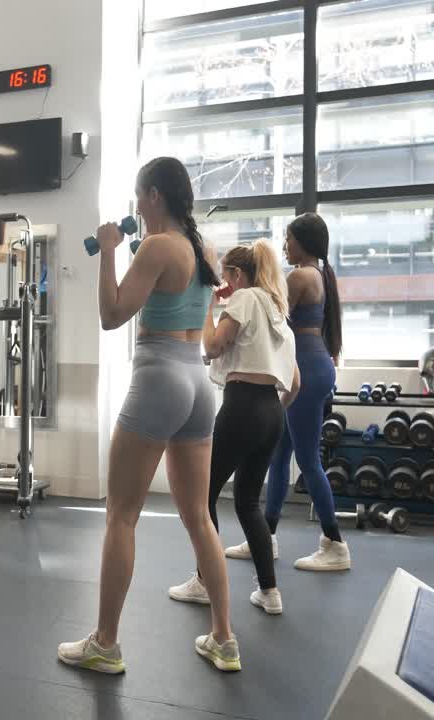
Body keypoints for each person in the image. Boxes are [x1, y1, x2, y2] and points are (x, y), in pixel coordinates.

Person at [57, 157, 239, 674]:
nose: (136, 206)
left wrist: (109, 254)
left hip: (159, 378)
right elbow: (199, 328)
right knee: (199, 516)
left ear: (154, 195)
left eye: (139, 196)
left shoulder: (160, 246)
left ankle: (105, 644)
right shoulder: (203, 249)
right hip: (197, 385)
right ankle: (224, 638)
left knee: (121, 514)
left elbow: (112, 315)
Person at [167, 242, 299, 616]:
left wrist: (207, 306)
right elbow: (296, 381)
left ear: (237, 275)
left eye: (225, 276)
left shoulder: (245, 299)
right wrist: (268, 412)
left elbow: (211, 347)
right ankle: (269, 592)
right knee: (247, 504)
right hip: (272, 411)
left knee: (202, 495)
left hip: (242, 406)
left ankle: (205, 583)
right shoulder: (277, 310)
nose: (224, 283)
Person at [264, 213, 352, 571]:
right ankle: (265, 536)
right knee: (279, 455)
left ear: (303, 242)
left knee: (308, 460)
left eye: (288, 239)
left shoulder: (301, 275)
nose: (284, 245)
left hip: (307, 372)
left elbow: (271, 317)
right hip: (309, 369)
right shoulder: (320, 275)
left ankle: (335, 545)